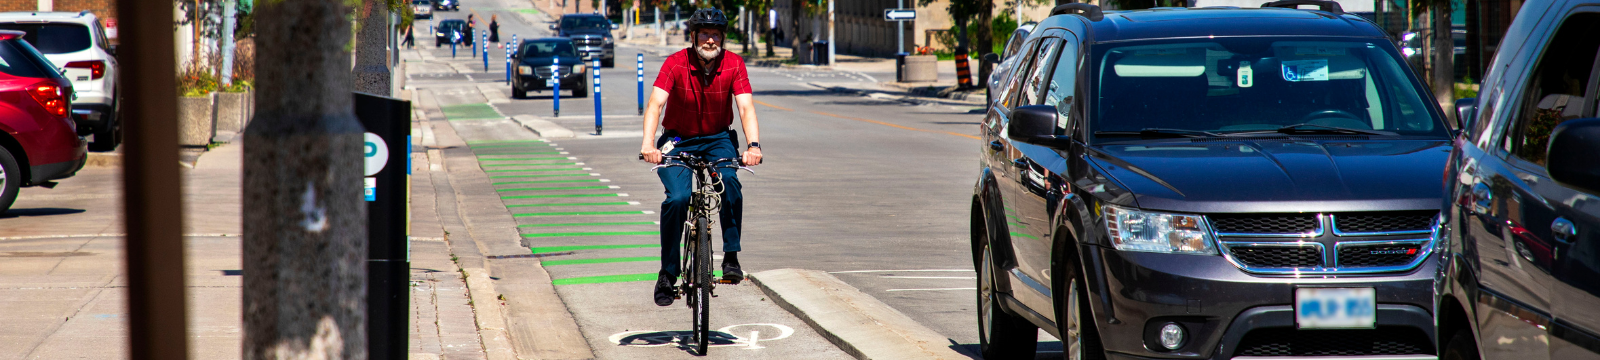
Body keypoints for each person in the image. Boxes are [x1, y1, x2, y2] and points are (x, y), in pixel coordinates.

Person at [640, 8, 762, 307]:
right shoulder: (675, 63)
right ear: (693, 36)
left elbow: (745, 108)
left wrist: (753, 146)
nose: (710, 40)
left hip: (718, 138)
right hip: (678, 139)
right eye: (705, 34)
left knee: (730, 181)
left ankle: (731, 257)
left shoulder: (733, 63)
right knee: (678, 199)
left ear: (723, 38)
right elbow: (656, 104)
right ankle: (668, 273)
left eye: (716, 35)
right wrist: (648, 144)